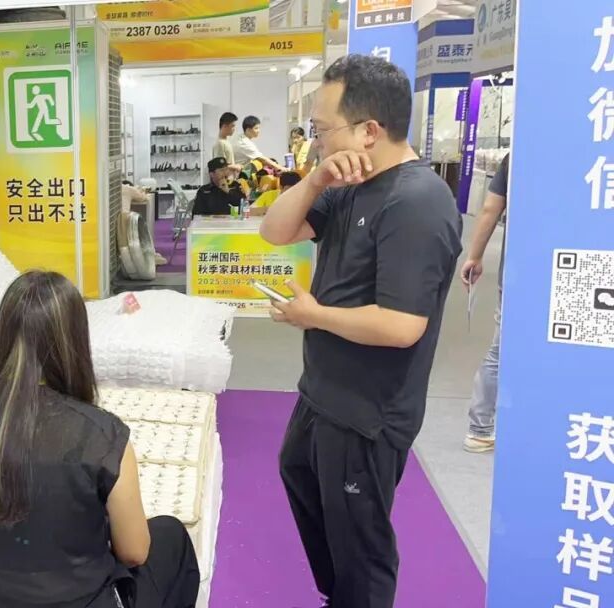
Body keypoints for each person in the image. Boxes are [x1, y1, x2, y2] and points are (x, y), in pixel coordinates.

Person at [260, 54, 462, 608]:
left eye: (322, 131)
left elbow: (402, 325)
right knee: (302, 482)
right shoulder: (348, 183)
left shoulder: (417, 202)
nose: (317, 142)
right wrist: (315, 178)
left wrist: (314, 315)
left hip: (368, 410)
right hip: (323, 390)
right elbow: (275, 231)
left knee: (361, 543)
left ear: (369, 130)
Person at [0, 271, 200, 608]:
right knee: (171, 536)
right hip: (79, 601)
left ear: (4, 334)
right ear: (76, 339)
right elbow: (134, 552)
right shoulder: (102, 436)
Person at [461, 152, 510, 453]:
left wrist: (474, 256)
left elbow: (491, 208)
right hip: (580, 270)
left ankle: (480, 428)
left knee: (501, 349)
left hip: (518, 272)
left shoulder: (519, 154)